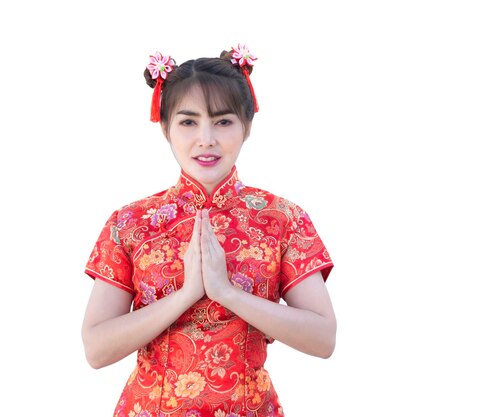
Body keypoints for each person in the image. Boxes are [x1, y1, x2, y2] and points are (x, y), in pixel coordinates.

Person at [82, 44, 336, 417]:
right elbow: (96, 349)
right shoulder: (130, 223)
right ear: (165, 126)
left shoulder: (282, 219)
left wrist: (226, 293)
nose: (206, 139)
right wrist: (186, 294)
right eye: (188, 121)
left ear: (246, 127)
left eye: (223, 121)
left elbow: (323, 338)